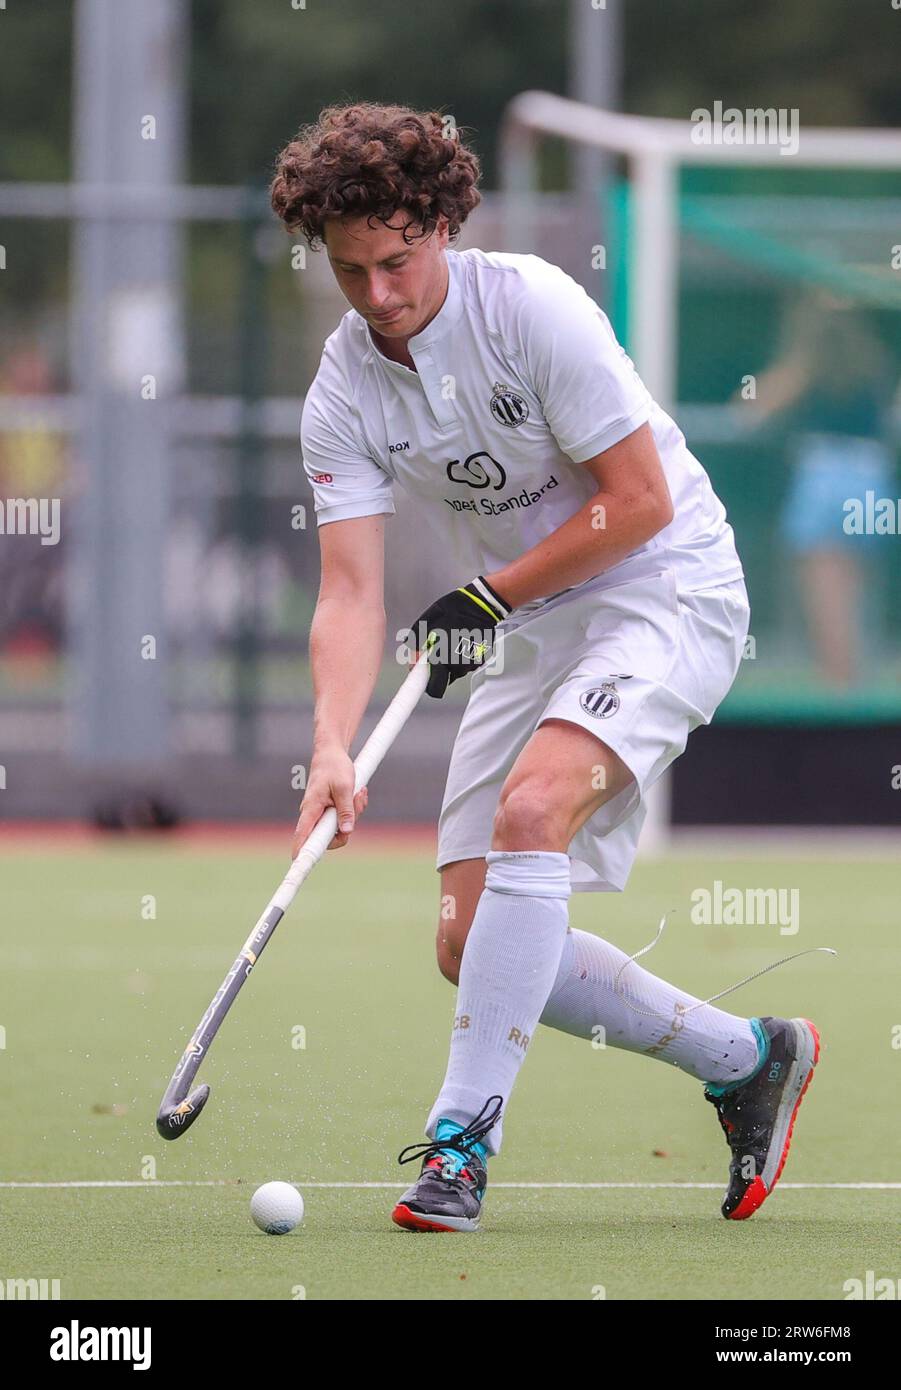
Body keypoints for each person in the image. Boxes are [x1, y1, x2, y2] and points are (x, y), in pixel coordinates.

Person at [271, 102, 819, 1233]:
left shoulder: (531, 308)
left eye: (395, 262)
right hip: (530, 622)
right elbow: (350, 592)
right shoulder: (343, 389)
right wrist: (329, 743)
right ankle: (748, 1057)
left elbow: (639, 501)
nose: (378, 295)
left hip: (663, 586)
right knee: (466, 941)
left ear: (441, 225)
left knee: (533, 813)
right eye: (350, 271)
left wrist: (490, 596)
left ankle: (459, 1147)